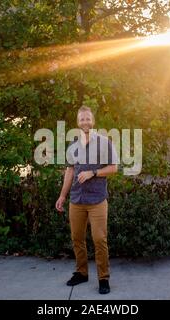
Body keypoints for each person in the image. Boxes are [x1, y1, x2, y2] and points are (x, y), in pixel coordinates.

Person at [55, 106, 118, 294]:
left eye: (88, 119)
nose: (85, 122)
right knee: (77, 238)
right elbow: (70, 171)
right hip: (76, 200)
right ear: (77, 122)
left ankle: (103, 278)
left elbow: (114, 168)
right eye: (81, 119)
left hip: (97, 200)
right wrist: (62, 195)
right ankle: (81, 273)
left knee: (99, 239)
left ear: (93, 121)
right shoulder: (73, 146)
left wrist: (94, 172)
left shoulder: (105, 142)